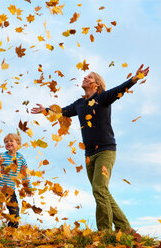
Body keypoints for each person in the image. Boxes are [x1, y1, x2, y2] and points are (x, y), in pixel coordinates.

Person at [31, 65, 149, 232]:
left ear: (97, 84)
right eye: (85, 77)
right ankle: (125, 228)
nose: (85, 78)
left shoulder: (104, 97)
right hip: (89, 154)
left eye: (89, 77)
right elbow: (63, 112)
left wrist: (135, 78)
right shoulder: (79, 104)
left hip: (106, 151)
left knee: (99, 189)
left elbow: (121, 89)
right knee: (101, 191)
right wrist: (46, 110)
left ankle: (104, 232)